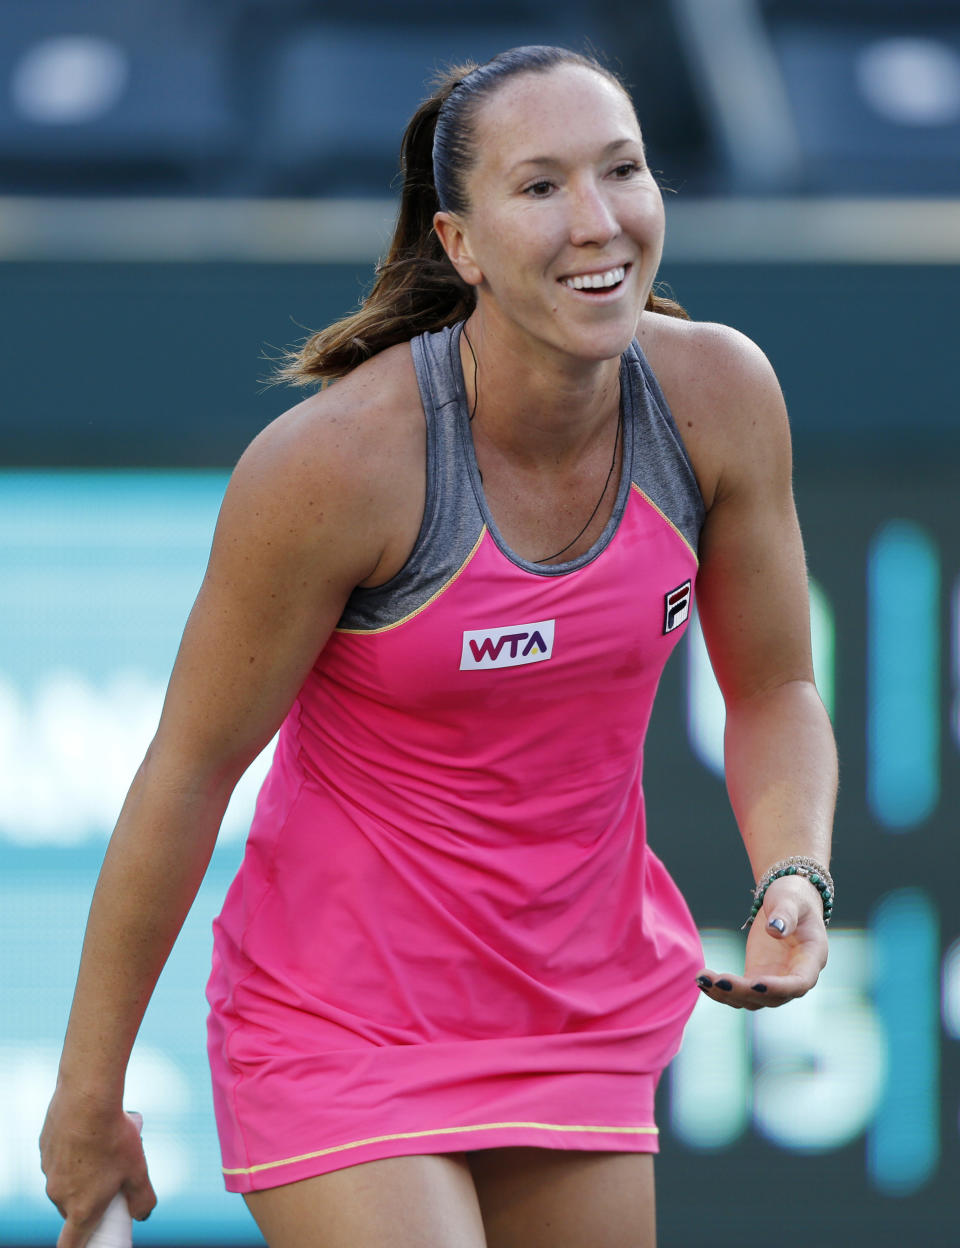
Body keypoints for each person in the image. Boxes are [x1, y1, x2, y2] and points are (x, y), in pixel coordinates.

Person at [40, 45, 837, 1248]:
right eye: (540, 187)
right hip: (338, 1025)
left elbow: (775, 682)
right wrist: (87, 1097)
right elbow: (188, 774)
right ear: (460, 245)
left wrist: (794, 870)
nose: (598, 221)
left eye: (623, 170)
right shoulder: (337, 464)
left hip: (580, 1014)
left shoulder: (720, 395)